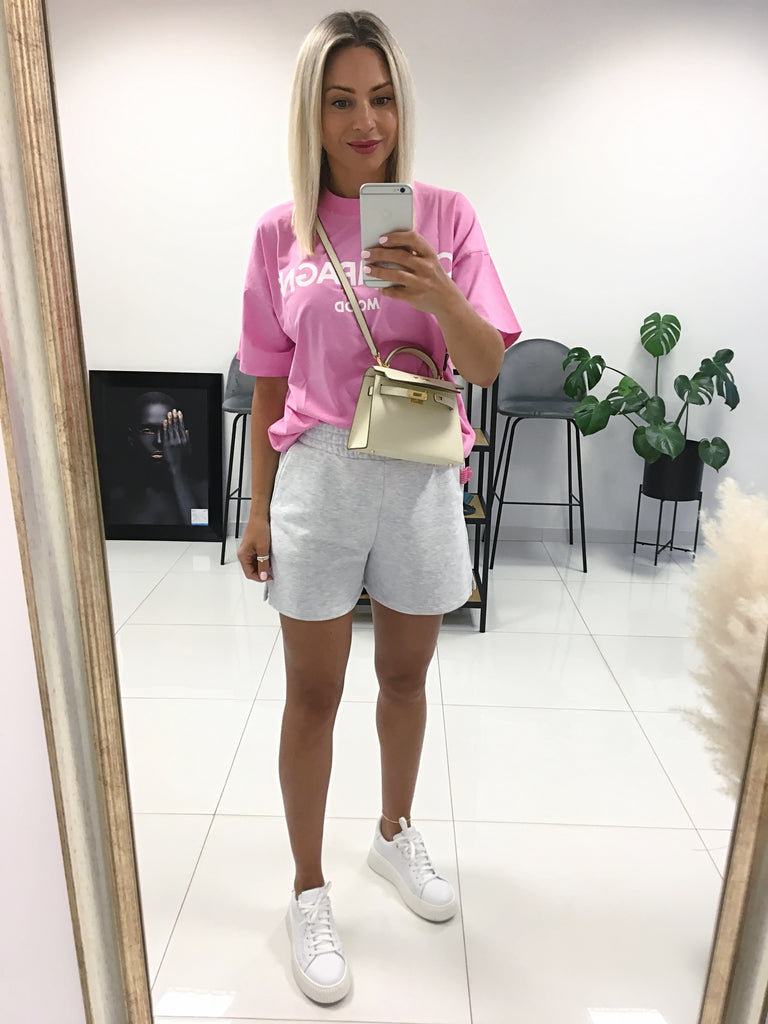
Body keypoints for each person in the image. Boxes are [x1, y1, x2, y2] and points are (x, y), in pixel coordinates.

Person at [236, 10, 520, 1005]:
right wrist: (258, 510)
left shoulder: (445, 216)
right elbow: (268, 382)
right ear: (311, 115)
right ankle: (308, 889)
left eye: (384, 98)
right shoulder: (281, 233)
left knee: (405, 676)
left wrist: (440, 294)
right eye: (343, 101)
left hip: (420, 468)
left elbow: (486, 364)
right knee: (311, 695)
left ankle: (395, 833)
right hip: (318, 472)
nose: (367, 122)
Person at [106, 390, 205, 526]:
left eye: (167, 430)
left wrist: (176, 468)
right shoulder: (117, 498)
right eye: (148, 431)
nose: (158, 441)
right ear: (132, 437)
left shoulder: (200, 490)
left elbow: (200, 527)